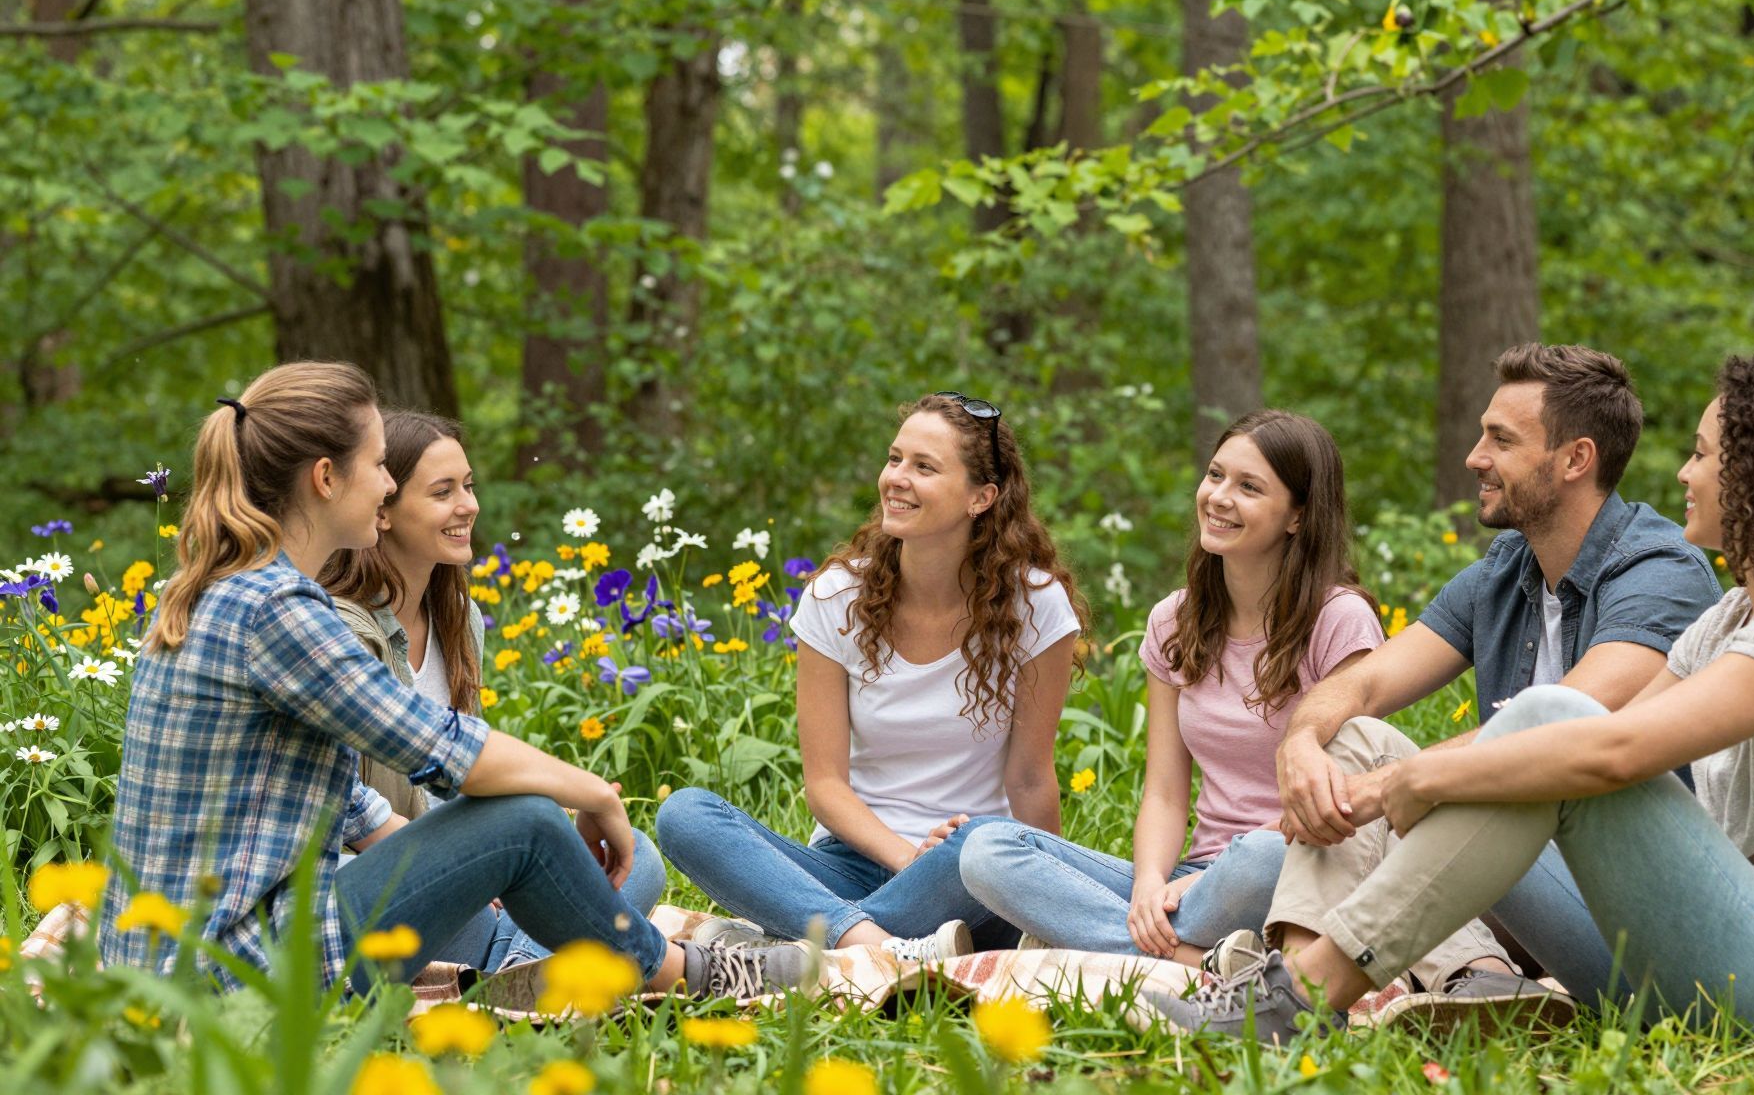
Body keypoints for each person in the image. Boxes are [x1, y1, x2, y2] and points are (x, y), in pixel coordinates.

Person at [1141, 350, 1754, 1040]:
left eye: (1701, 455)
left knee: (1549, 723)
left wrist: (1414, 782)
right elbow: (1385, 693)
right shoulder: (1730, 616)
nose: (1685, 473)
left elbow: (1614, 745)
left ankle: (1300, 997)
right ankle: (1292, 980)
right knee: (1390, 741)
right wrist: (1313, 746)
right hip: (1682, 967)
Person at [99, 363, 714, 1000]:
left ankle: (528, 972)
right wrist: (594, 794)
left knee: (580, 846)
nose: (387, 484)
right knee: (529, 823)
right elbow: (446, 749)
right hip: (231, 975)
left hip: (190, 960)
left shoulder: (236, 589)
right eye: (380, 466)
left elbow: (345, 798)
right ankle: (684, 974)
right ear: (326, 478)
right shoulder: (275, 608)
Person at [1240, 344, 1721, 1018]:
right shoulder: (1506, 570)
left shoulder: (1661, 573)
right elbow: (1366, 686)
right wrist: (1300, 748)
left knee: (1437, 773)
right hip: (1500, 884)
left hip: (1622, 906)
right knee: (1353, 741)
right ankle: (1312, 996)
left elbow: (1560, 721)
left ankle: (1299, 995)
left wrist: (1390, 787)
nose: (1474, 457)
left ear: (1575, 459)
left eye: (1500, 439)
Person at [962, 411, 1514, 985]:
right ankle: (1204, 958)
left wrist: (1200, 883)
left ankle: (1113, 941)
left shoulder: (1338, 618)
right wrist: (1151, 884)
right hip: (1194, 877)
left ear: (1298, 515)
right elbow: (1165, 791)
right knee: (987, 849)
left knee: (1256, 859)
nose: (1219, 497)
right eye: (1215, 475)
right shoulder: (1173, 620)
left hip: (1293, 864)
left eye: (1249, 487)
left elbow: (1346, 792)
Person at [657, 393, 1084, 964]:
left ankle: (799, 944)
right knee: (684, 815)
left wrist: (1040, 897)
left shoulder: (1036, 606)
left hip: (966, 872)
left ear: (981, 498)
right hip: (850, 863)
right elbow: (826, 785)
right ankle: (874, 948)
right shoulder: (837, 599)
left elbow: (1031, 781)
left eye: (924, 467)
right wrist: (910, 861)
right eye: (895, 459)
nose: (897, 479)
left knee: (980, 850)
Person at [316, 410, 664, 972]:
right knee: (564, 875)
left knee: (635, 858)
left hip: (458, 869)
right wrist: (475, 859)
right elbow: (340, 808)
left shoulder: (459, 619)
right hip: (369, 883)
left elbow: (459, 780)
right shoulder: (338, 630)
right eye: (443, 491)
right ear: (384, 507)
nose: (469, 505)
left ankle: (512, 970)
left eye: (469, 486)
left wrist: (506, 845)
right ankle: (529, 971)